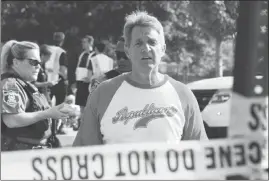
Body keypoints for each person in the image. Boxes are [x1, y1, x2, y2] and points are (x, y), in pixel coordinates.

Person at [73, 11, 208, 147]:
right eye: (138, 43)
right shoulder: (103, 93)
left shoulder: (183, 94)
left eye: (152, 42)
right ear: (127, 50)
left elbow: (200, 154)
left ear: (163, 49)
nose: (146, 48)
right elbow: (83, 153)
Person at [1, 40, 75, 151]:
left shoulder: (25, 85)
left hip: (34, 152)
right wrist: (48, 113)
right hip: (19, 154)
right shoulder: (10, 85)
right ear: (16, 62)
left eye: (39, 63)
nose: (38, 67)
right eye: (33, 62)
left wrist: (58, 111)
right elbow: (12, 120)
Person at [75, 35, 96, 117]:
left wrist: (91, 79)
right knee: (81, 104)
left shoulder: (94, 55)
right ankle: (81, 123)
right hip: (80, 82)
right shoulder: (82, 54)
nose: (82, 44)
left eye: (84, 42)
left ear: (90, 43)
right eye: (82, 42)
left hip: (89, 83)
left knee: (89, 105)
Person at [45, 32, 68, 106]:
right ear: (62, 41)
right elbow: (63, 70)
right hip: (58, 81)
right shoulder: (61, 52)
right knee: (59, 106)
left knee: (46, 104)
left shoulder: (47, 49)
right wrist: (66, 78)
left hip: (46, 80)